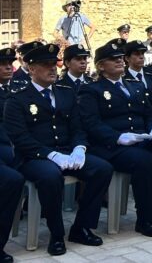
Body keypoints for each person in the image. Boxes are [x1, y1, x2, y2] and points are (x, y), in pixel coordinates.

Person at [4, 43, 113, 256]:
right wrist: (50, 154)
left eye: (54, 64)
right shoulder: (17, 99)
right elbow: (20, 138)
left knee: (102, 168)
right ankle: (56, 234)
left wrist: (79, 148)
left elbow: (77, 127)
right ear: (31, 69)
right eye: (46, 64)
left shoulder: (66, 93)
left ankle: (81, 227)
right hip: (34, 158)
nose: (52, 68)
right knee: (51, 176)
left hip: (66, 152)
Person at [78, 40, 152, 238]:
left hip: (140, 140)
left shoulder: (135, 85)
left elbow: (150, 114)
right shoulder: (92, 89)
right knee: (144, 160)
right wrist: (118, 137)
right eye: (113, 59)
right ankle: (145, 219)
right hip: (112, 146)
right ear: (101, 66)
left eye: (120, 58)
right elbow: (91, 123)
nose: (119, 61)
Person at [0, 47, 25, 263]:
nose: (8, 67)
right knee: (12, 178)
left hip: (18, 145)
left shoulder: (19, 88)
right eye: (2, 64)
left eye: (10, 63)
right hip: (4, 147)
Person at [124, 40, 152, 111]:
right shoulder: (123, 78)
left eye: (142, 54)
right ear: (127, 58)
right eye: (137, 54)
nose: (141, 57)